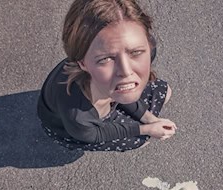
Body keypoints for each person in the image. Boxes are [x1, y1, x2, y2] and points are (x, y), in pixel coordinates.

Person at [37, 0, 177, 152]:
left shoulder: (143, 54)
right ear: (82, 63)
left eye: (135, 52)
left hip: (105, 94)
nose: (126, 71)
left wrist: (150, 119)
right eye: (105, 59)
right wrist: (146, 129)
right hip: (68, 128)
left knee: (166, 91)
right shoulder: (77, 115)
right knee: (139, 140)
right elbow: (96, 134)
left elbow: (121, 88)